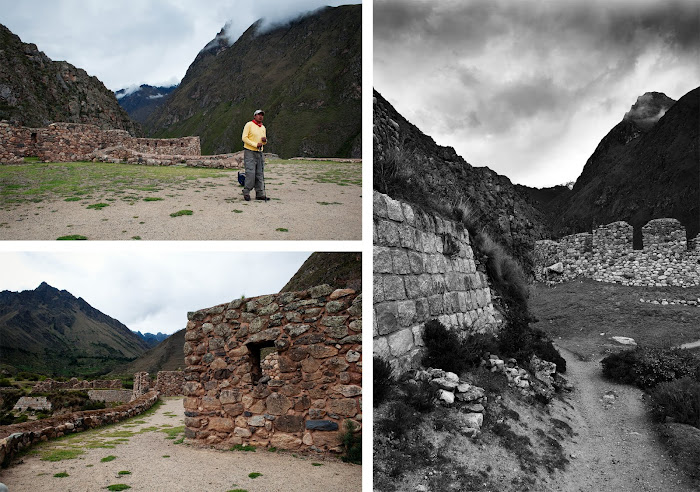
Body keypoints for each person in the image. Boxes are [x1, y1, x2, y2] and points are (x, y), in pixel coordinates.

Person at [241, 109, 269, 201]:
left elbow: (263, 141)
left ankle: (260, 193)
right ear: (254, 116)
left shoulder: (263, 128)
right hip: (250, 151)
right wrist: (255, 144)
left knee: (259, 173)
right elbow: (244, 138)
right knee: (250, 172)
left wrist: (264, 142)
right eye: (258, 115)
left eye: (262, 115)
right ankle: (246, 191)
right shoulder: (249, 125)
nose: (260, 116)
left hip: (259, 152)